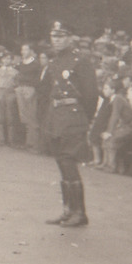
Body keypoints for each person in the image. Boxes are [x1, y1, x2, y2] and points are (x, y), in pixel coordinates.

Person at [37, 32, 98, 228]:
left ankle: (79, 213)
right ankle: (67, 210)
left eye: (61, 36)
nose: (56, 40)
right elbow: (46, 91)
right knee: (61, 162)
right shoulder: (55, 61)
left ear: (71, 38)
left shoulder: (81, 61)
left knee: (69, 161)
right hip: (56, 116)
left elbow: (91, 95)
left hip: (73, 116)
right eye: (54, 36)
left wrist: (83, 119)